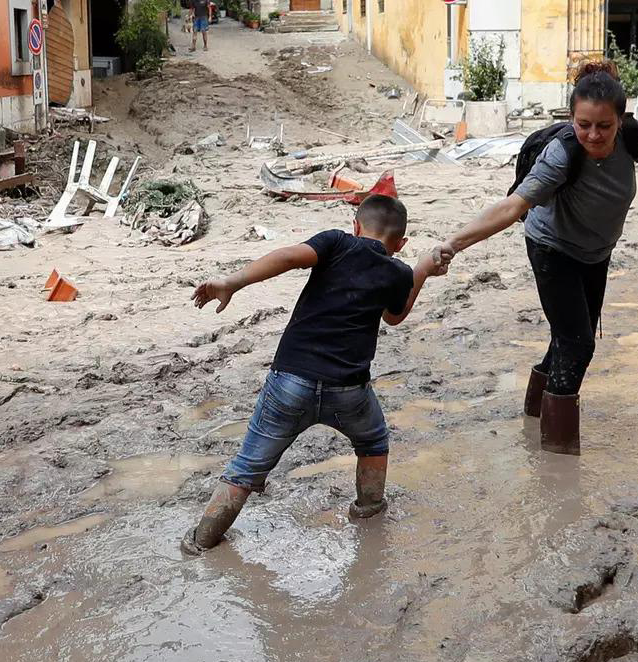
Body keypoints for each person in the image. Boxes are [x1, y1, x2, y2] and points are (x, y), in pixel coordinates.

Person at [433, 61, 638, 456]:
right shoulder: (561, 155)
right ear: (571, 117)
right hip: (551, 248)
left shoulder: (632, 138)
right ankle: (557, 457)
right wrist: (453, 243)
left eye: (603, 126)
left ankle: (535, 413)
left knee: (570, 335)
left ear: (620, 121)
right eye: (583, 124)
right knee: (578, 343)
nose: (593, 134)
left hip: (595, 253)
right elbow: (513, 206)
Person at [181, 195, 449, 555]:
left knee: (247, 466)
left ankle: (201, 541)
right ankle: (369, 509)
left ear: (356, 225)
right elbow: (394, 316)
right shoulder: (398, 271)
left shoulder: (336, 242)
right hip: (350, 391)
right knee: (373, 443)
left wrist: (233, 282)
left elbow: (290, 257)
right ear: (400, 244)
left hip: (290, 382)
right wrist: (421, 271)